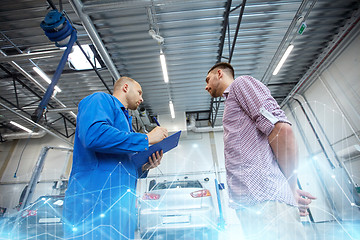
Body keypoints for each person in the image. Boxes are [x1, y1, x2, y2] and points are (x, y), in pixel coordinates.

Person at [205, 62, 316, 240]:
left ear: (219, 74)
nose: (206, 86)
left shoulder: (241, 84)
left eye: (207, 79)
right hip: (252, 203)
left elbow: (281, 130)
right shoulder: (232, 102)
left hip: (266, 200)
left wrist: (291, 189)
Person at [63, 76, 168, 239]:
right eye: (139, 93)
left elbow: (121, 164)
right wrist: (146, 139)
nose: (141, 98)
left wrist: (145, 166)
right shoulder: (100, 99)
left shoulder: (126, 125)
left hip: (119, 207)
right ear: (125, 87)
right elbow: (93, 135)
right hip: (93, 201)